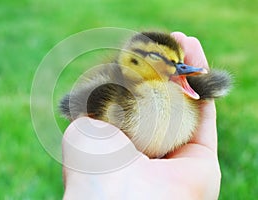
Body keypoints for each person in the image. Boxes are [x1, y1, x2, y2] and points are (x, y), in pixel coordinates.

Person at [62, 32, 221, 200]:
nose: (179, 66)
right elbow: (70, 104)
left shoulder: (183, 98)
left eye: (178, 60)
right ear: (133, 60)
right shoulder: (113, 98)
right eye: (157, 56)